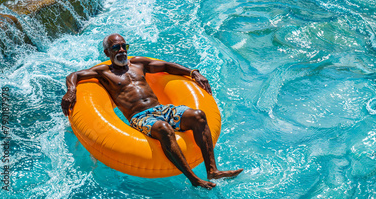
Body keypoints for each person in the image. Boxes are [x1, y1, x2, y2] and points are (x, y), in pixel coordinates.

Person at [61, 33, 242, 189]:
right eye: (116, 47)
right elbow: (74, 75)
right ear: (107, 52)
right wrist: (71, 90)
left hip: (162, 109)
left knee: (198, 116)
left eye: (125, 46)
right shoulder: (103, 72)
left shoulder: (138, 63)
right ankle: (194, 179)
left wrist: (194, 73)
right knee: (163, 128)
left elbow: (166, 66)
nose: (122, 50)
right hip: (140, 117)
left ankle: (212, 170)